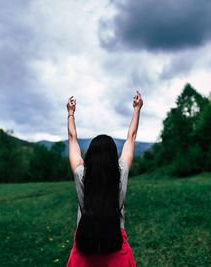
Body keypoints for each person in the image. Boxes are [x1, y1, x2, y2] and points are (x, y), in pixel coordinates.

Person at [66, 91, 143, 267]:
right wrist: (137, 109)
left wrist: (70, 113)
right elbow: (131, 138)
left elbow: (72, 140)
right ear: (112, 157)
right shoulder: (120, 172)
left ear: (90, 155)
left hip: (84, 251)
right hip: (117, 251)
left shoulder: (81, 174)